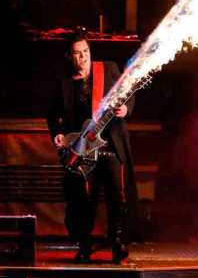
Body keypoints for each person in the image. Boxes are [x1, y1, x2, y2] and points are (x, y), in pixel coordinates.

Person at [46, 34, 137, 264]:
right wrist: (58, 133)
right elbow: (53, 115)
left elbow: (128, 92)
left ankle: (118, 243)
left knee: (119, 195)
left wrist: (126, 108)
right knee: (84, 200)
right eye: (77, 53)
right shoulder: (63, 82)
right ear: (70, 56)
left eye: (85, 51)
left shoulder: (107, 69)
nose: (83, 57)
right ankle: (84, 244)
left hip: (111, 146)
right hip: (83, 151)